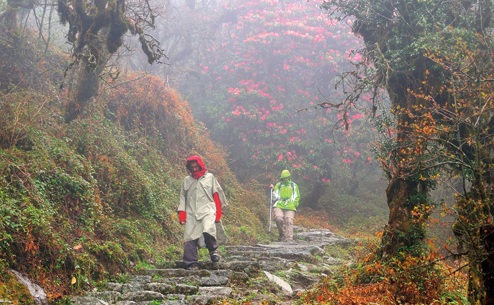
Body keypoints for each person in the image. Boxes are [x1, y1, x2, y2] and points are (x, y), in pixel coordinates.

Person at [177, 155, 228, 270]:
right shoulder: (187, 180)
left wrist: (218, 213)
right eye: (192, 167)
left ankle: (213, 251)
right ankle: (191, 263)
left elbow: (216, 194)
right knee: (189, 236)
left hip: (207, 209)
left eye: (196, 166)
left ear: (200, 166)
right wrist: (182, 214)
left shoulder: (209, 178)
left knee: (208, 229)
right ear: (189, 168)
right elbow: (182, 198)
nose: (194, 169)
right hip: (191, 211)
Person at [271, 170, 300, 242]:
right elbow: (275, 197)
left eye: (287, 177)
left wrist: (294, 204)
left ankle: (289, 238)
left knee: (289, 220)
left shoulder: (293, 185)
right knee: (278, 219)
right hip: (279, 204)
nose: (285, 179)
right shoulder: (279, 185)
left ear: (289, 177)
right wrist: (273, 190)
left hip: (290, 205)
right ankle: (282, 235)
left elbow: (297, 196)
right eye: (284, 178)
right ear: (282, 178)